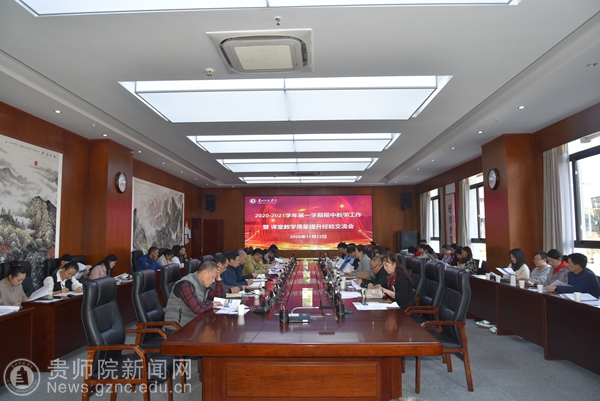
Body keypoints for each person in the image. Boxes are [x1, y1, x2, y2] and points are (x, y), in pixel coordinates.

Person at [164, 261, 223, 327]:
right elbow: (198, 308)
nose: (213, 281)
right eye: (213, 277)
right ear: (204, 273)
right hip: (177, 328)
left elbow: (218, 298)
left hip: (193, 324)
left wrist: (218, 279)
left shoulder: (202, 284)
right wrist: (212, 304)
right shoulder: (186, 284)